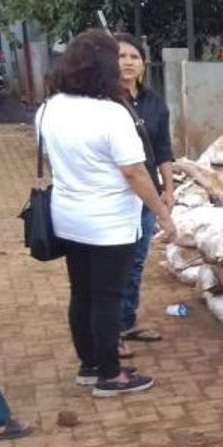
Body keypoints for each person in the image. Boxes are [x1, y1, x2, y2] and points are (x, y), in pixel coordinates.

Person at [37, 30, 175, 397]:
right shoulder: (112, 114)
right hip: (110, 222)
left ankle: (89, 366)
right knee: (107, 297)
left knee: (81, 293)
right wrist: (161, 211)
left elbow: (52, 162)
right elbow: (134, 172)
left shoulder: (49, 108)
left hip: (68, 216)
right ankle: (111, 376)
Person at [113, 34, 175, 352]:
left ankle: (126, 322)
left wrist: (169, 189)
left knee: (136, 261)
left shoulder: (153, 102)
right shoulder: (104, 101)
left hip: (146, 193)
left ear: (143, 64)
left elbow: (163, 148)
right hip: (114, 196)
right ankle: (111, 333)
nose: (127, 62)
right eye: (120, 56)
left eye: (134, 57)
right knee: (114, 262)